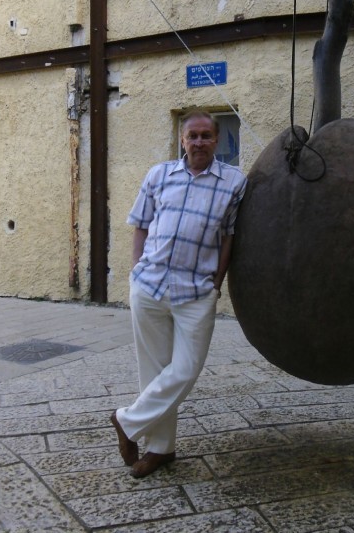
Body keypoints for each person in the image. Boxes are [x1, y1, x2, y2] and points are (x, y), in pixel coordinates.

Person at [110, 110, 247, 478]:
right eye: (193, 136)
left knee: (185, 369)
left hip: (196, 291)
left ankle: (126, 421)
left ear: (216, 140)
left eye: (206, 135)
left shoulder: (234, 182)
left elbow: (230, 236)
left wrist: (217, 282)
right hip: (150, 286)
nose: (199, 142)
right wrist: (136, 271)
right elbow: (140, 224)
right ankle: (160, 450)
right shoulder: (159, 174)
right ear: (182, 140)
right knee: (153, 371)